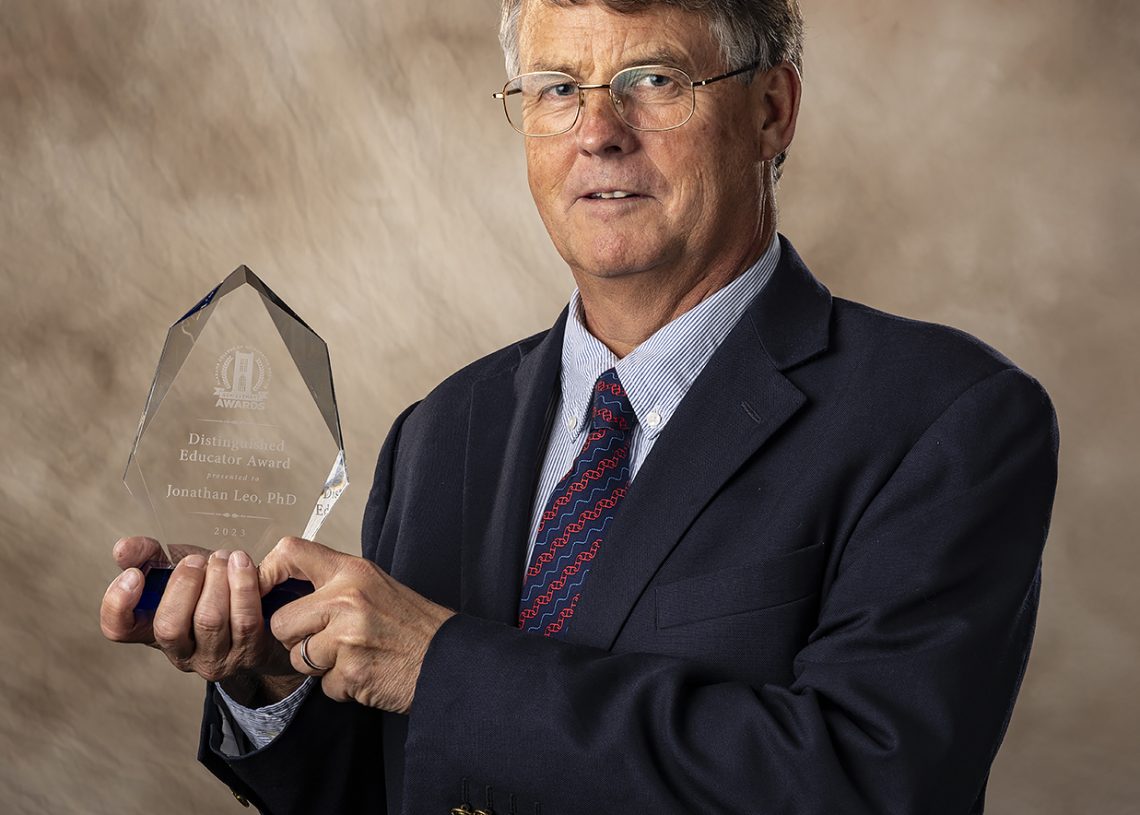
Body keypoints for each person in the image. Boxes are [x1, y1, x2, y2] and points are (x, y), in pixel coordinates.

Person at [101, 1, 1059, 813]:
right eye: (558, 88)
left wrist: (440, 666)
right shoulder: (442, 430)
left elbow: (868, 786)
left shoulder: (946, 418)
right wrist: (271, 677)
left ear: (772, 110)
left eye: (654, 79)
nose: (598, 130)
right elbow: (395, 786)